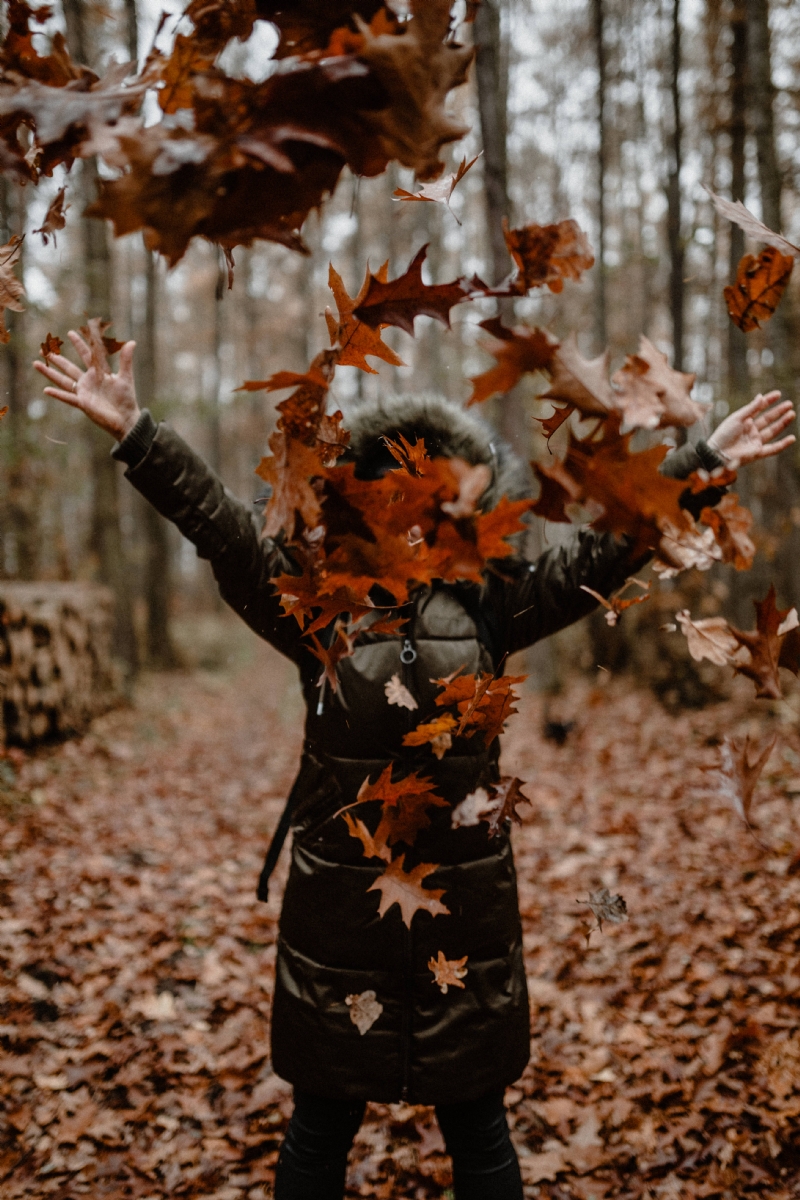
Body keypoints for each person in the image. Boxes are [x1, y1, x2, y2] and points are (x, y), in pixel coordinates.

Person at [35, 334, 795, 1199]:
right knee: (321, 1126)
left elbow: (605, 553)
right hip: (341, 912)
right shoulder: (316, 604)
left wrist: (701, 467)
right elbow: (223, 530)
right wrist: (137, 430)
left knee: (478, 1126)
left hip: (463, 913)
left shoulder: (492, 602)